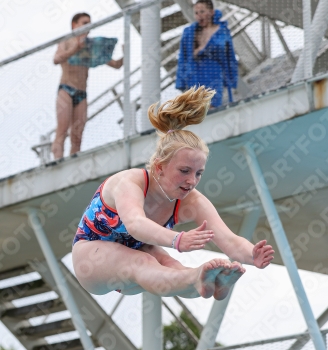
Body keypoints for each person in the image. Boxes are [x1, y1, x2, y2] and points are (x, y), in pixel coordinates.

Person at [72, 86, 274, 299]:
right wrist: (178, 240)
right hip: (92, 258)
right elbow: (136, 224)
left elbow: (229, 240)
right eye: (184, 171)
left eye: (199, 173)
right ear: (159, 167)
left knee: (171, 265)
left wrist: (253, 255)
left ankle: (213, 284)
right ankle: (197, 279)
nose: (192, 181)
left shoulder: (191, 200)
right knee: (145, 261)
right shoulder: (130, 182)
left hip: (136, 262)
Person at [52, 12, 123, 160]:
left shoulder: (91, 45)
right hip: (66, 89)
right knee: (62, 130)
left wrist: (124, 55)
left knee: (77, 136)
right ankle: (56, 164)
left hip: (82, 93)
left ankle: (73, 165)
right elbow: (56, 59)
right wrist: (75, 48)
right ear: (74, 25)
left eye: (89, 23)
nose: (88, 26)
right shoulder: (66, 41)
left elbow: (115, 64)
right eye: (84, 23)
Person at [176, 0, 238, 108]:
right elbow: (182, 58)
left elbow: (230, 57)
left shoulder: (222, 31)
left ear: (211, 12)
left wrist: (231, 79)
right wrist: (180, 82)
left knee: (212, 108)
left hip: (214, 74)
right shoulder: (189, 32)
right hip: (194, 76)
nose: (199, 16)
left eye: (202, 12)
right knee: (196, 111)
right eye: (196, 13)